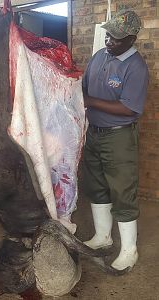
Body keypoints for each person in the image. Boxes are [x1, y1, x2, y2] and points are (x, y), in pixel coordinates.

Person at [82, 10, 149, 271]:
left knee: (123, 191)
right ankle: (102, 237)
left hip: (119, 136)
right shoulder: (99, 56)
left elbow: (129, 109)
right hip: (94, 133)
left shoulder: (136, 67)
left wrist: (90, 102)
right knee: (96, 185)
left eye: (116, 38)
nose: (109, 40)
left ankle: (129, 250)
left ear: (132, 39)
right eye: (108, 35)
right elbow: (84, 88)